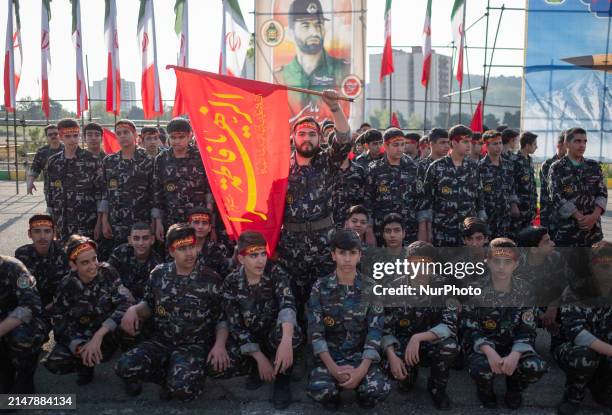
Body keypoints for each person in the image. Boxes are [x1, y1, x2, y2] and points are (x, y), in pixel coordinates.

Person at [116, 224, 231, 401]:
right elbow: (149, 304)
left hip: (193, 346)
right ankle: (166, 378)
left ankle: (184, 378)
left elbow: (222, 317)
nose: (189, 253)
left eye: (192, 247)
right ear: (171, 251)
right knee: (125, 366)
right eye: (182, 249)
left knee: (182, 390)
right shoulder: (159, 274)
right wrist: (134, 309)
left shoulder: (211, 279)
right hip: (161, 341)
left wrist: (220, 345)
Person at [276, 90, 350, 344]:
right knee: (292, 302)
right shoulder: (280, 166)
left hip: (322, 244)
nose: (306, 139)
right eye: (302, 134)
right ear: (293, 137)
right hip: (291, 246)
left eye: (312, 135)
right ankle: (291, 355)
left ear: (320, 138)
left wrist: (335, 107)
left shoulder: (327, 162)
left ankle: (324, 356)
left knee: (326, 301)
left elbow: (344, 137)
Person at [306, 230, 390, 410]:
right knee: (321, 390)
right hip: (331, 357)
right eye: (342, 253)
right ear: (333, 255)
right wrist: (334, 369)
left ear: (360, 255)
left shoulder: (371, 287)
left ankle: (362, 395)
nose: (347, 259)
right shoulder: (320, 287)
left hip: (361, 358)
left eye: (352, 253)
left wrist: (360, 371)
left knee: (378, 389)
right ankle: (333, 397)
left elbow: (375, 332)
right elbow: (316, 333)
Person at [462, 238, 547, 409]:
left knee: (535, 367)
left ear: (515, 264)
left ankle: (514, 389)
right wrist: (489, 351)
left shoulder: (526, 290)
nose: (501, 266)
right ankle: (485, 391)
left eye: (507, 262)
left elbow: (528, 329)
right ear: (488, 262)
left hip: (514, 345)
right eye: (497, 261)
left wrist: (515, 354)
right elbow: (470, 328)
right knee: (480, 368)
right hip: (485, 347)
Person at [222, 231, 302, 409]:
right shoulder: (232, 282)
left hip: (274, 334)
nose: (260, 260)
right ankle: (256, 367)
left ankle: (282, 379)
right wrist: (259, 357)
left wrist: (287, 342)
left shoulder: (276, 272)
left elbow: (287, 305)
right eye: (253, 255)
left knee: (291, 334)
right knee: (223, 361)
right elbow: (235, 325)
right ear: (241, 259)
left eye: (263, 253)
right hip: (252, 336)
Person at [44, 235, 133, 386]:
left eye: (94, 259)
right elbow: (59, 324)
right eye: (85, 262)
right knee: (55, 362)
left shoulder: (107, 272)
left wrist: (99, 336)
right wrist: (79, 346)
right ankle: (84, 365)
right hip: (82, 335)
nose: (93, 266)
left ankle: (130, 370)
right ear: (73, 265)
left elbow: (126, 303)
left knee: (132, 321)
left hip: (107, 333)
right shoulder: (66, 286)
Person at [381, 241, 459, 409]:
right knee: (390, 365)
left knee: (449, 346)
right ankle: (408, 376)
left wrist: (418, 338)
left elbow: (449, 325)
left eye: (426, 263)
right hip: (403, 344)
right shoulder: (394, 287)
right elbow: (385, 330)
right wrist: (392, 356)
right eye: (415, 263)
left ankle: (437, 387)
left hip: (430, 342)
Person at [554, 241, 612, 415]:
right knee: (583, 355)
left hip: (607, 348)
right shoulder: (576, 290)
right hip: (576, 349)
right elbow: (577, 334)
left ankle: (603, 390)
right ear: (592, 267)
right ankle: (574, 395)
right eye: (603, 266)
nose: (609, 271)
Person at [274, 0, 350, 121]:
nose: (314, 32)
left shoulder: (344, 70)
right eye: (305, 25)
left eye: (318, 25)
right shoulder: (279, 77)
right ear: (290, 32)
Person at [418, 125, 486, 247]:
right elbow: (426, 201)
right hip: (443, 230)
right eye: (465, 142)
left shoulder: (473, 167)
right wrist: (426, 232)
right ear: (454, 143)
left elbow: (479, 196)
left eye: (469, 142)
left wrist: (480, 221)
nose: (469, 145)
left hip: (468, 232)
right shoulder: (436, 167)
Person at [152, 118, 213, 243]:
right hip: (171, 219)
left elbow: (209, 189)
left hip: (198, 221)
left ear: (189, 136)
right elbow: (157, 192)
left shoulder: (200, 156)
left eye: (181, 137)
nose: (177, 141)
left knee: (195, 254)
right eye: (173, 137)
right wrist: (158, 222)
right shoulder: (161, 159)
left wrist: (210, 220)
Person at [47, 118, 105, 242]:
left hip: (86, 223)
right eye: (68, 136)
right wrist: (52, 222)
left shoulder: (93, 161)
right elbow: (51, 192)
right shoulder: (53, 161)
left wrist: (99, 223)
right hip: (62, 223)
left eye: (75, 136)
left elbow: (101, 194)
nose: (72, 140)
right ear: (61, 137)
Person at [549, 127, 607, 247]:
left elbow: (602, 192)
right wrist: (579, 217)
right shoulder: (557, 167)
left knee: (592, 265)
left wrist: (594, 217)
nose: (582, 145)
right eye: (577, 141)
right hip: (568, 233)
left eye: (584, 141)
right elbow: (556, 196)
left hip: (593, 233)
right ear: (567, 143)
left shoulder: (593, 166)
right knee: (567, 265)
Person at [101, 119, 155, 247]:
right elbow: (104, 193)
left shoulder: (148, 160)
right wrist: (104, 221)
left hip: (141, 224)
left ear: (135, 135)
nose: (122, 136)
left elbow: (154, 193)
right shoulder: (109, 161)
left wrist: (154, 221)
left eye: (126, 132)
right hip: (116, 222)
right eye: (118, 133)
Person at [0, 255, 47, 394]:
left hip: (25, 323)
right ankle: (6, 374)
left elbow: (30, 306)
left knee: (22, 336)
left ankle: (25, 379)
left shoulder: (13, 267)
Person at [515, 226, 572, 339]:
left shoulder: (556, 257)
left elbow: (566, 286)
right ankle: (522, 339)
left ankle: (561, 339)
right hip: (526, 306)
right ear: (534, 249)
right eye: (547, 242)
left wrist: (553, 306)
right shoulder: (515, 265)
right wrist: (540, 315)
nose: (553, 243)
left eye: (550, 239)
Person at [365, 128, 418, 245]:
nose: (400, 149)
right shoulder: (374, 169)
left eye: (403, 144)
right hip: (382, 230)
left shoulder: (412, 167)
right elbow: (367, 202)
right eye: (395, 145)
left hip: (408, 230)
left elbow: (419, 200)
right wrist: (369, 231)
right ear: (386, 145)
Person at [14, 214, 69, 313]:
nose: (42, 236)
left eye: (47, 231)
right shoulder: (22, 254)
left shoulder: (65, 253)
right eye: (37, 231)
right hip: (32, 307)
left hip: (60, 305)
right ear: (30, 234)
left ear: (54, 233)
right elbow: (21, 287)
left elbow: (71, 288)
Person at [478, 130, 520, 239]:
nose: (499, 147)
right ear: (486, 145)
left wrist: (514, 204)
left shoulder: (508, 165)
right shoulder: (480, 167)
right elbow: (478, 193)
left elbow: (511, 187)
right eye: (495, 144)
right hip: (488, 216)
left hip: (505, 215)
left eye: (500, 143)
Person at [107, 223, 163, 303]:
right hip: (116, 297)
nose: (141, 243)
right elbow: (106, 273)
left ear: (152, 240)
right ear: (130, 240)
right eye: (136, 238)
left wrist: (134, 301)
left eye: (145, 238)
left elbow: (154, 297)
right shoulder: (120, 252)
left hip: (140, 306)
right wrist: (119, 287)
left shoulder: (158, 264)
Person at [416, 128, 449, 242]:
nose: (446, 146)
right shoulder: (422, 166)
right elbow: (421, 199)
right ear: (431, 144)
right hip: (430, 222)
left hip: (449, 221)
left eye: (448, 142)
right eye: (442, 142)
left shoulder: (452, 165)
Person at [331, 133, 366, 229]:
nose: (342, 150)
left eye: (346, 146)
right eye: (339, 146)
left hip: (352, 225)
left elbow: (363, 200)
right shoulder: (326, 170)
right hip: (328, 226)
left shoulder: (359, 170)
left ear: (351, 148)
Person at [187, 206, 232, 278]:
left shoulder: (219, 249)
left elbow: (227, 277)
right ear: (189, 226)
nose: (200, 226)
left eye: (204, 223)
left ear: (210, 228)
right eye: (196, 222)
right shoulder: (180, 249)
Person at [26, 124, 63, 209]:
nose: (53, 136)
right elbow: (35, 168)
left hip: (67, 190)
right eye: (50, 134)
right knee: (51, 215)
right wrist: (30, 182)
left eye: (55, 133)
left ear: (59, 135)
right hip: (50, 190)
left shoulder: (67, 149)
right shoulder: (42, 151)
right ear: (47, 137)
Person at [539, 130, 567, 230]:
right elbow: (558, 187)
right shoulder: (548, 164)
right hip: (550, 213)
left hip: (568, 215)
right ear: (559, 145)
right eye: (567, 144)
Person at [512, 132, 538, 234]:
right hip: (519, 207)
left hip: (530, 207)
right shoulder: (515, 160)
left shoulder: (530, 160)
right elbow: (511, 184)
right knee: (517, 235)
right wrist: (514, 205)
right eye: (535, 144)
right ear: (527, 145)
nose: (537, 147)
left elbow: (532, 184)